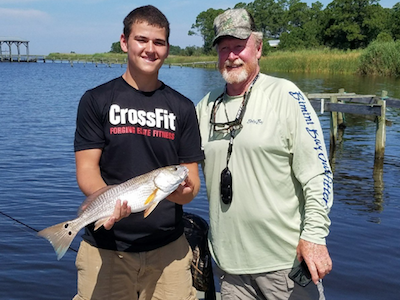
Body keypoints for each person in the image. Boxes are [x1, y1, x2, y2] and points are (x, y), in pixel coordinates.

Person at [196, 8, 333, 300]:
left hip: (284, 263)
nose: (231, 56)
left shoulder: (286, 96)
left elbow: (318, 173)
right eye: (223, 49)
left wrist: (314, 237)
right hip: (229, 267)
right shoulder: (205, 107)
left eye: (238, 46)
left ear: (258, 48)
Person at [73, 5, 204, 300]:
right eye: (141, 40)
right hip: (106, 249)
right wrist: (109, 203)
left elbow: (191, 183)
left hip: (168, 252)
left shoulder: (182, 107)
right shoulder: (96, 100)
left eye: (158, 42)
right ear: (124, 42)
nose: (150, 49)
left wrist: (179, 191)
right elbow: (87, 169)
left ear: (167, 48)